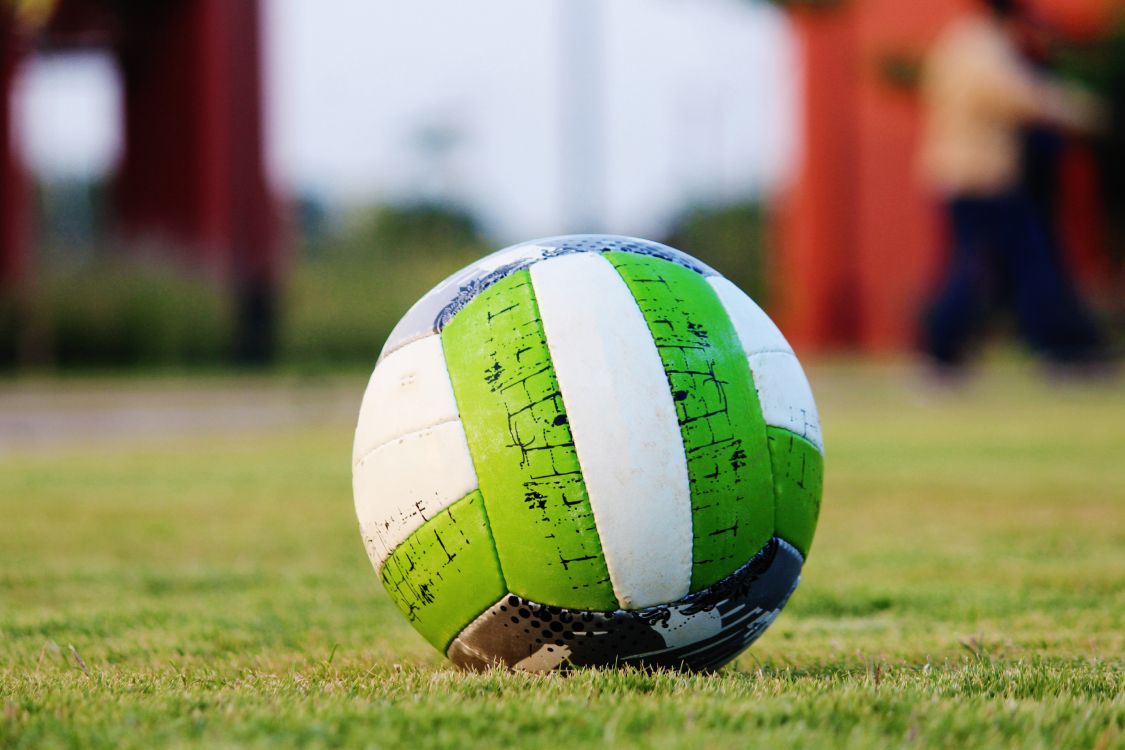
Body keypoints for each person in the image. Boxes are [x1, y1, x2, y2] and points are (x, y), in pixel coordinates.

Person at [918, 0, 1108, 370]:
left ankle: (1054, 344)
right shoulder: (981, 47)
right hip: (981, 177)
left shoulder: (961, 41)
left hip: (967, 174)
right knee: (988, 265)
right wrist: (1082, 111)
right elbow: (1019, 96)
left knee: (1001, 263)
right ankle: (945, 349)